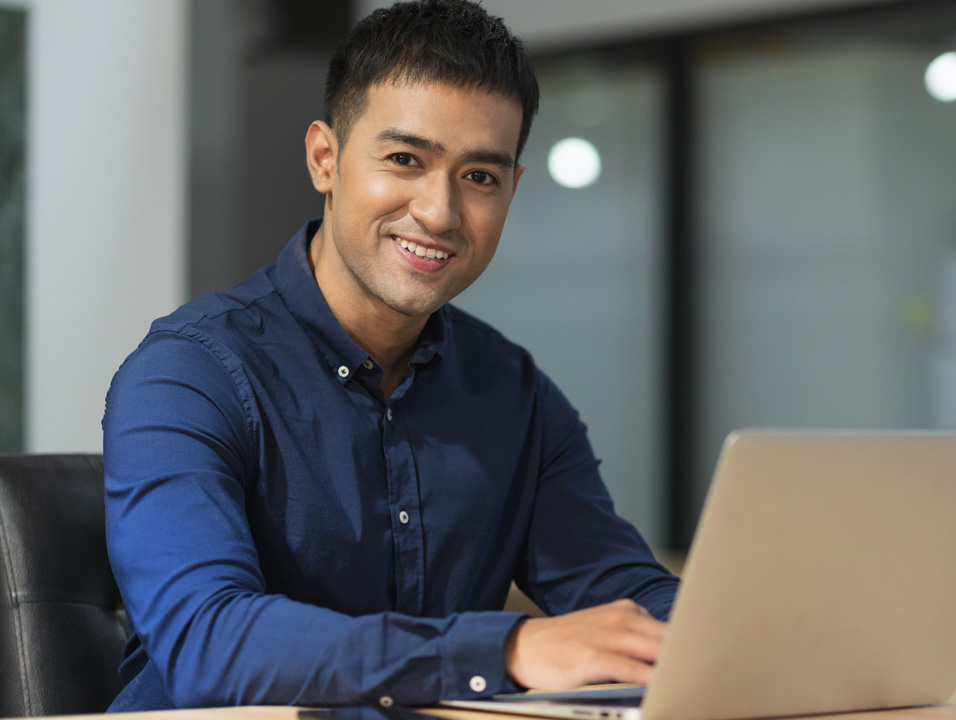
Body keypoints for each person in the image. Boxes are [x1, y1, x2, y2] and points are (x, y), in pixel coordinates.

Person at [102, 0, 679, 712]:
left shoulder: (515, 393)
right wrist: (506, 649)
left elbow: (620, 589)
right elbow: (209, 643)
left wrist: (734, 632)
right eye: (405, 159)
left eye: (480, 177)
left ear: (511, 191)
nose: (439, 212)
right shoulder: (186, 375)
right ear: (325, 158)